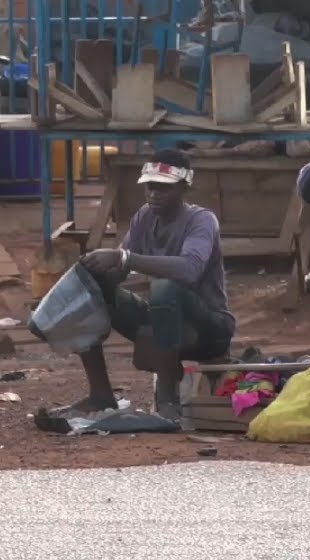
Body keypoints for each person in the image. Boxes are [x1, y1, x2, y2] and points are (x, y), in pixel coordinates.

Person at [56, 149, 234, 421]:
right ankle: (101, 394)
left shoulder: (201, 220)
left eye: (163, 188)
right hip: (167, 322)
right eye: (150, 186)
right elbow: (120, 269)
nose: (154, 194)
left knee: (165, 287)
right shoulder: (145, 217)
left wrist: (123, 257)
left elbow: (189, 268)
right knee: (93, 289)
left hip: (210, 328)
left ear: (184, 187)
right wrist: (96, 273)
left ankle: (167, 399)